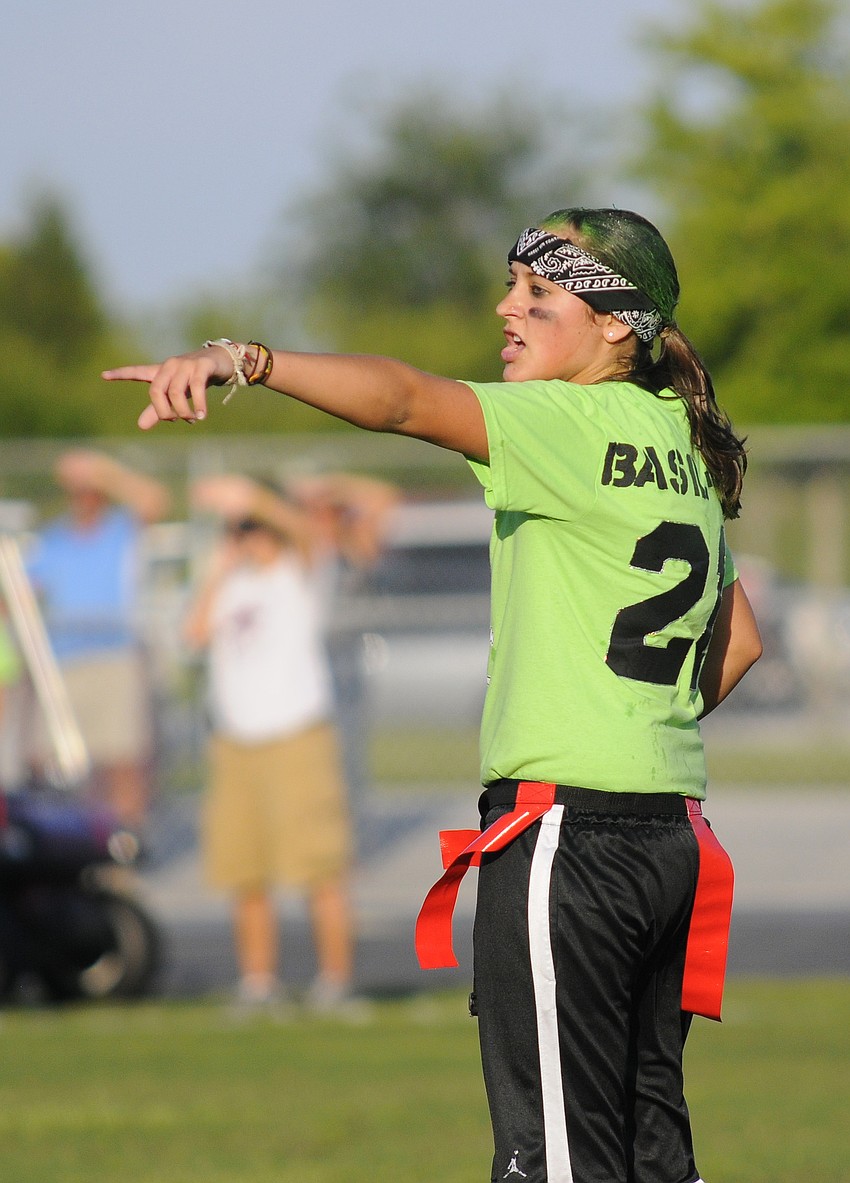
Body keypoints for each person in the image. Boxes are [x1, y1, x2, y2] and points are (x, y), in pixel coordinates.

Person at [104, 208, 762, 1183]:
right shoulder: (682, 441)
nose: (506, 308)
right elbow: (740, 641)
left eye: (538, 293)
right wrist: (631, 727)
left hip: (568, 840)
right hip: (671, 839)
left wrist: (247, 359)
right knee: (651, 1157)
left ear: (613, 324)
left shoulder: (564, 419)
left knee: (559, 1163)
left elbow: (405, 400)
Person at [182, 473, 359, 1016]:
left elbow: (307, 534)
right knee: (246, 870)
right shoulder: (230, 583)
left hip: (295, 737)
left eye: (252, 527)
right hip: (235, 743)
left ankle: (335, 982)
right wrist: (218, 569)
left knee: (318, 866)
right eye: (238, 529)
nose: (245, 537)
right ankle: (258, 983)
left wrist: (255, 499)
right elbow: (193, 634)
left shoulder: (297, 572)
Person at [26, 449, 170, 831]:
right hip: (65, 660)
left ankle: (126, 840)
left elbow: (154, 500)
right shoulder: (53, 539)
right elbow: (23, 591)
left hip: (113, 654)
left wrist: (102, 470)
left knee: (122, 758)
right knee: (57, 762)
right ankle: (78, 838)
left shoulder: (120, 529)